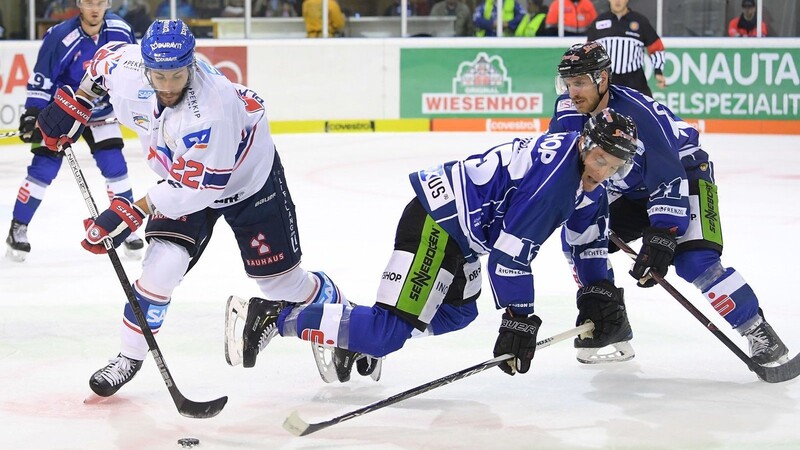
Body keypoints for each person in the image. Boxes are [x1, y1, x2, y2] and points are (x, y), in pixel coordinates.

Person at [34, 19, 351, 396]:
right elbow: (100, 65)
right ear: (145, 66)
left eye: (176, 75)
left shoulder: (212, 110)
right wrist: (78, 103)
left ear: (192, 64)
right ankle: (129, 356)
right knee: (160, 268)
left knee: (281, 282)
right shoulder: (128, 70)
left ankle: (342, 313)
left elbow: (198, 190)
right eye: (159, 76)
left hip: (247, 180)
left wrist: (132, 210)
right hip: (181, 176)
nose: (167, 87)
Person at [225, 108, 640, 381]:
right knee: (387, 335)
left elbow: (588, 240)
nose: (602, 171)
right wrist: (519, 318)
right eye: (600, 158)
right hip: (438, 223)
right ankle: (274, 316)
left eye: (614, 165)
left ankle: (355, 333)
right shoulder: (556, 185)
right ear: (586, 144)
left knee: (458, 314)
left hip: (463, 235)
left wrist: (597, 290)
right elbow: (509, 259)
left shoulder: (585, 176)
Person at [549, 42, 789, 367]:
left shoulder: (637, 113)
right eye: (567, 83)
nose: (571, 91)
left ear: (602, 78)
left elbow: (668, 175)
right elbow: (564, 164)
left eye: (579, 82)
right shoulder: (567, 110)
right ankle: (609, 321)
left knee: (693, 260)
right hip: (632, 186)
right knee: (581, 239)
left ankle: (757, 330)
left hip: (686, 174)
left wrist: (662, 234)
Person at [5, 0, 142, 263]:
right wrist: (33, 113)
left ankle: (125, 225)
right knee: (43, 169)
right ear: (79, 3)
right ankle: (17, 228)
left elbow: (132, 72)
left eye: (101, 2)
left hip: (102, 113)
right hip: (64, 111)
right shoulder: (59, 36)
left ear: (109, 4)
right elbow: (42, 77)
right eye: (89, 1)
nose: (95, 7)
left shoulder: (121, 30)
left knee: (116, 167)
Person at [587, 0, 665, 96]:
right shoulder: (598, 22)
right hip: (607, 80)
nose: (618, 1)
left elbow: (656, 47)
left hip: (635, 81)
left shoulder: (640, 22)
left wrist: (658, 71)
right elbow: (589, 51)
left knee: (643, 109)